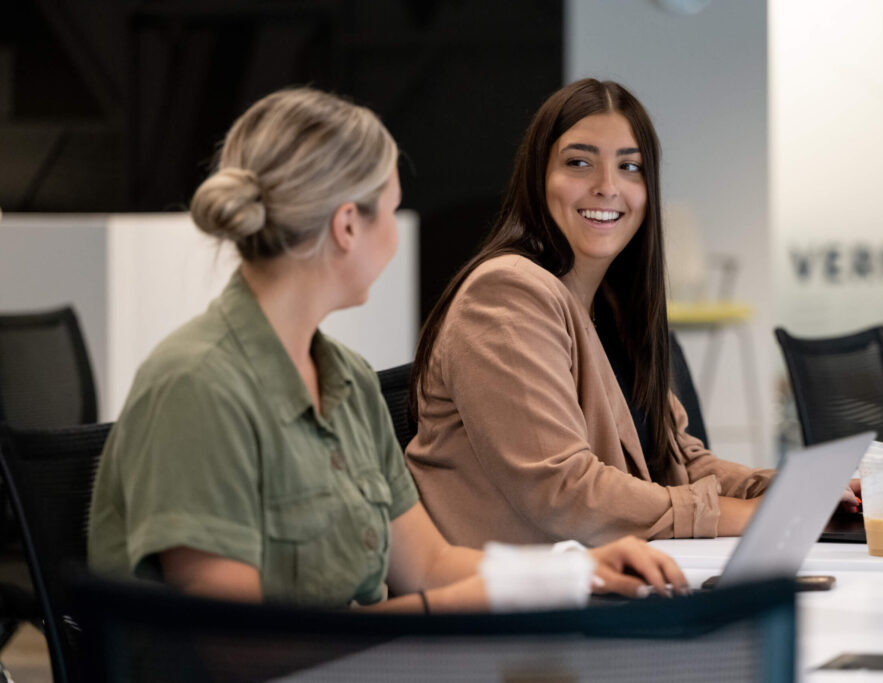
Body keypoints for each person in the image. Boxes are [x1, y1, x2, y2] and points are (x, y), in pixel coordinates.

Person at [87, 87, 688, 609]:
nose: (397, 240)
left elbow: (427, 566)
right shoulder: (198, 385)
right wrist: (458, 609)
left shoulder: (343, 378)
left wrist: (570, 574)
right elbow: (242, 648)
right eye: (391, 214)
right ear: (348, 226)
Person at [407, 79, 857, 549]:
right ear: (537, 179)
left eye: (630, 167)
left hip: (604, 578)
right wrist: (742, 515)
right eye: (579, 162)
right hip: (515, 601)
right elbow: (563, 492)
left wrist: (782, 493)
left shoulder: (613, 307)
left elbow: (678, 459)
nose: (607, 186)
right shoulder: (506, 294)